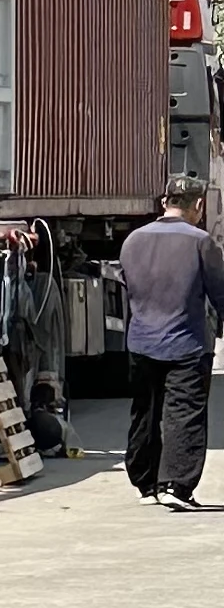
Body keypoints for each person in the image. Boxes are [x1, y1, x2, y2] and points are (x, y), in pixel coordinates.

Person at [119, 180, 224, 509]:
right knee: (184, 414)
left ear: (165, 201)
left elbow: (128, 286)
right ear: (198, 206)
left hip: (140, 340)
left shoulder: (133, 240)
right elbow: (220, 292)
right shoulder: (201, 242)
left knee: (145, 412)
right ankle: (176, 487)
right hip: (186, 344)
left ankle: (145, 483)